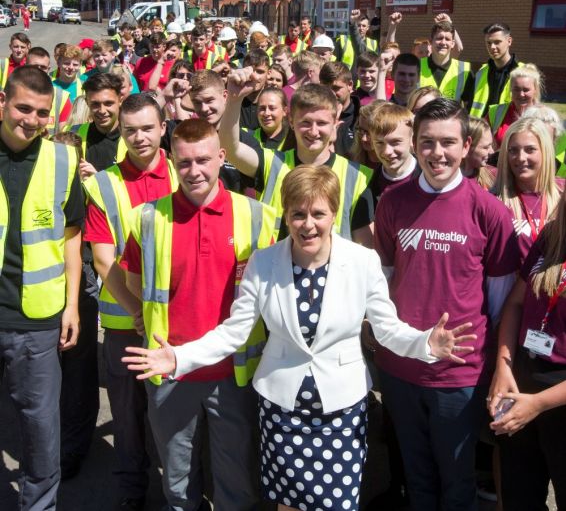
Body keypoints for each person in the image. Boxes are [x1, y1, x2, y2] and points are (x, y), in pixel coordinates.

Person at [123, 164, 476, 511]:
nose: (308, 225)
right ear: (287, 216)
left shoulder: (363, 262)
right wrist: (179, 358)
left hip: (342, 409)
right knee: (289, 502)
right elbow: (234, 332)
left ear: (334, 214)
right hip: (282, 408)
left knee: (337, 503)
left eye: (318, 214)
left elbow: (387, 330)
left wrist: (424, 343)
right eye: (298, 214)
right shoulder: (263, 262)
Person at [119, 118, 277, 511]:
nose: (195, 171)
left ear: (221, 157)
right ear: (172, 161)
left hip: (235, 373)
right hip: (170, 369)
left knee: (236, 482)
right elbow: (136, 280)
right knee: (177, 483)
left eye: (203, 160)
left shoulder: (258, 216)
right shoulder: (148, 218)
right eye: (185, 162)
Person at [374, 98, 520, 511]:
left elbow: (498, 300)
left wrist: (491, 365)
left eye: (448, 143)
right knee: (416, 478)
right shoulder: (393, 202)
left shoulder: (488, 211)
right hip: (400, 368)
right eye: (427, 142)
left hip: (459, 375)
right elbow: (383, 281)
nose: (438, 154)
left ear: (466, 144)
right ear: (416, 144)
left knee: (457, 481)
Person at [82, 93, 177, 510]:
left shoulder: (183, 173)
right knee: (127, 417)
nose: (139, 138)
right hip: (125, 323)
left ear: (163, 128)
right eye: (130, 130)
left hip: (177, 324)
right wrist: (140, 310)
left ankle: (180, 490)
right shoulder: (103, 184)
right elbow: (104, 261)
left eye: (147, 128)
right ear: (121, 133)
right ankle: (131, 489)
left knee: (174, 418)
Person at [0, 65, 84, 510]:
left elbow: (73, 235)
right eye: (23, 108)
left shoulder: (62, 160)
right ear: (3, 103)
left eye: (42, 113)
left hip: (37, 317)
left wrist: (72, 305)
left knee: (39, 428)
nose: (31, 120)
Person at [219, 70, 375, 246]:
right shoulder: (273, 163)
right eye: (305, 123)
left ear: (335, 123)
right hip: (274, 269)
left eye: (322, 123)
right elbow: (230, 149)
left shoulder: (359, 177)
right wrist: (234, 100)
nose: (313, 132)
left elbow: (366, 249)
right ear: (291, 122)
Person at [488, 187, 566, 510]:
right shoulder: (551, 237)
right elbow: (515, 303)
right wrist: (503, 366)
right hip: (522, 374)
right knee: (519, 493)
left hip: (557, 394)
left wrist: (537, 404)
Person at [493, 117, 562, 263]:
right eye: (513, 150)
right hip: (512, 285)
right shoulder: (493, 201)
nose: (521, 157)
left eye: (530, 149)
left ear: (545, 152)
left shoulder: (562, 196)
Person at [71, 73, 128, 178]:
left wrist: (99, 180)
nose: (102, 111)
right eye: (95, 104)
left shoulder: (134, 137)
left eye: (108, 103)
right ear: (87, 103)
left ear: (120, 99)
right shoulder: (74, 135)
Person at [471, 22, 523, 118]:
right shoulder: (481, 72)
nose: (492, 47)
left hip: (509, 130)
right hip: (480, 129)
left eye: (497, 42)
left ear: (509, 41)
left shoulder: (523, 73)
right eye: (489, 43)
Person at [419, 19, 474, 106]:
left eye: (447, 39)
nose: (443, 42)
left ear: (452, 44)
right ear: (431, 42)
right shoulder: (417, 66)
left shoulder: (464, 70)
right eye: (439, 38)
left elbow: (468, 105)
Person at [488, 64, 542, 148]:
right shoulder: (495, 112)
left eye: (526, 90)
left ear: (535, 90)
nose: (521, 94)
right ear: (510, 90)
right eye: (516, 89)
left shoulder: (545, 117)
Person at [319, 61, 359, 158]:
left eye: (336, 88)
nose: (330, 93)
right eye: (325, 87)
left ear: (350, 85)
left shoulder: (360, 116)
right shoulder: (313, 115)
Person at [241, 86, 289, 151]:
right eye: (262, 108)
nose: (266, 113)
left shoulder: (293, 140)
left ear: (285, 111)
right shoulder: (248, 135)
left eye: (272, 108)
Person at [239, 49, 270, 130]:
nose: (255, 76)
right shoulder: (233, 101)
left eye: (260, 72)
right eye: (250, 71)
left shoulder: (273, 104)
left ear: (268, 74)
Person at [461, 116, 495, 190]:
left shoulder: (494, 175)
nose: (492, 151)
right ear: (466, 146)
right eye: (486, 147)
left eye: (491, 145)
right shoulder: (447, 181)